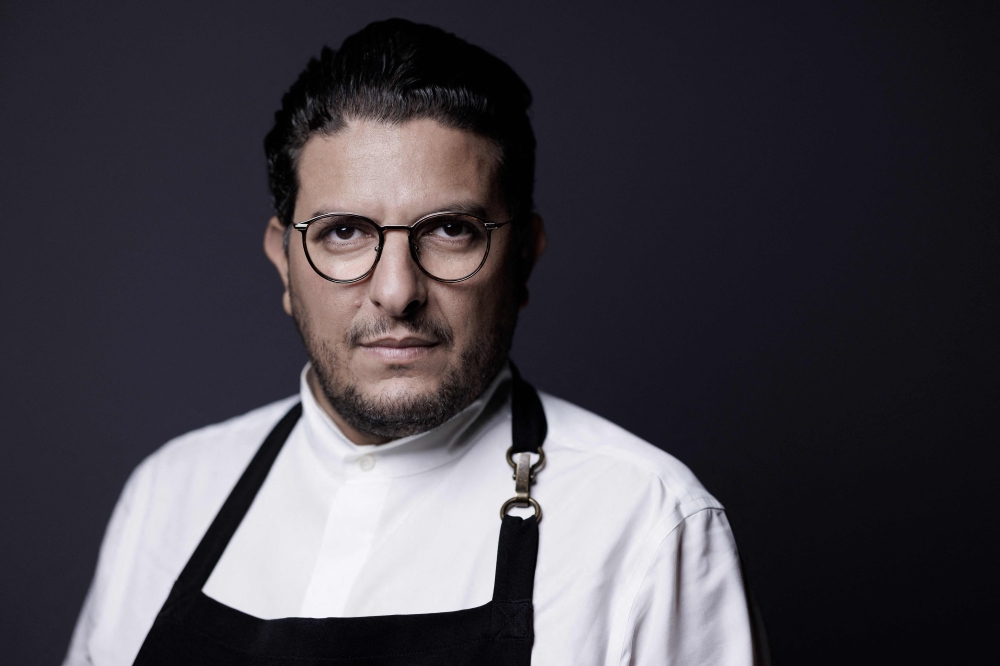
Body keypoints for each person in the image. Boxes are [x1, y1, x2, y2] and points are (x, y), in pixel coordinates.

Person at [63, 18, 767, 666]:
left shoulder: (648, 526)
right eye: (343, 232)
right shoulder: (168, 497)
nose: (397, 291)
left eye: (451, 230)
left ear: (523, 256)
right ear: (284, 262)